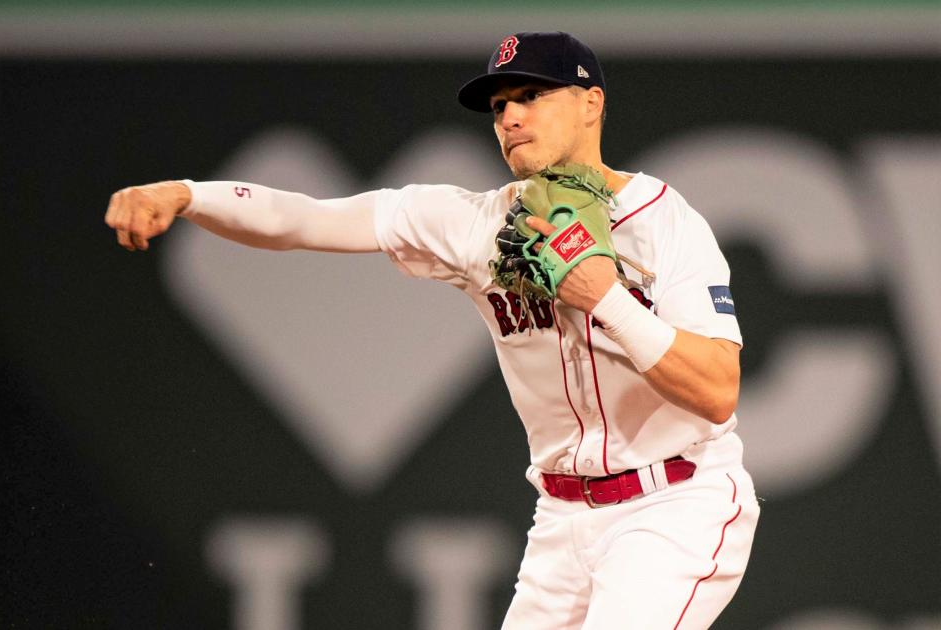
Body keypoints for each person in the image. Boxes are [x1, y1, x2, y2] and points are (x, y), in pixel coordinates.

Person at [105, 31, 759, 630]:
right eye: (499, 105)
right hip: (563, 517)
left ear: (591, 103)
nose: (509, 117)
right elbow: (303, 220)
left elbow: (717, 390)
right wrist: (189, 194)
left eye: (530, 95)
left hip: (674, 502)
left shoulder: (664, 222)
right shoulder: (473, 225)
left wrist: (605, 298)